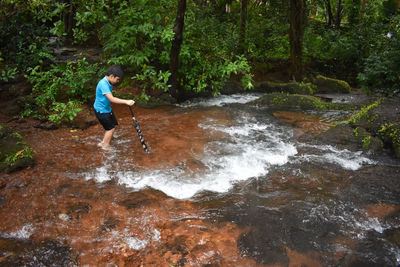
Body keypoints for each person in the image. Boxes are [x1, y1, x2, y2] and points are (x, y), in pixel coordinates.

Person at [94, 65, 135, 150]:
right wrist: (126, 101)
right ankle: (104, 145)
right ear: (112, 76)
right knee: (110, 129)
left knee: (113, 125)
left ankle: (105, 140)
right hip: (101, 111)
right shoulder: (103, 84)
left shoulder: (108, 82)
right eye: (117, 79)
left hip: (106, 109)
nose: (117, 81)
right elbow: (112, 99)